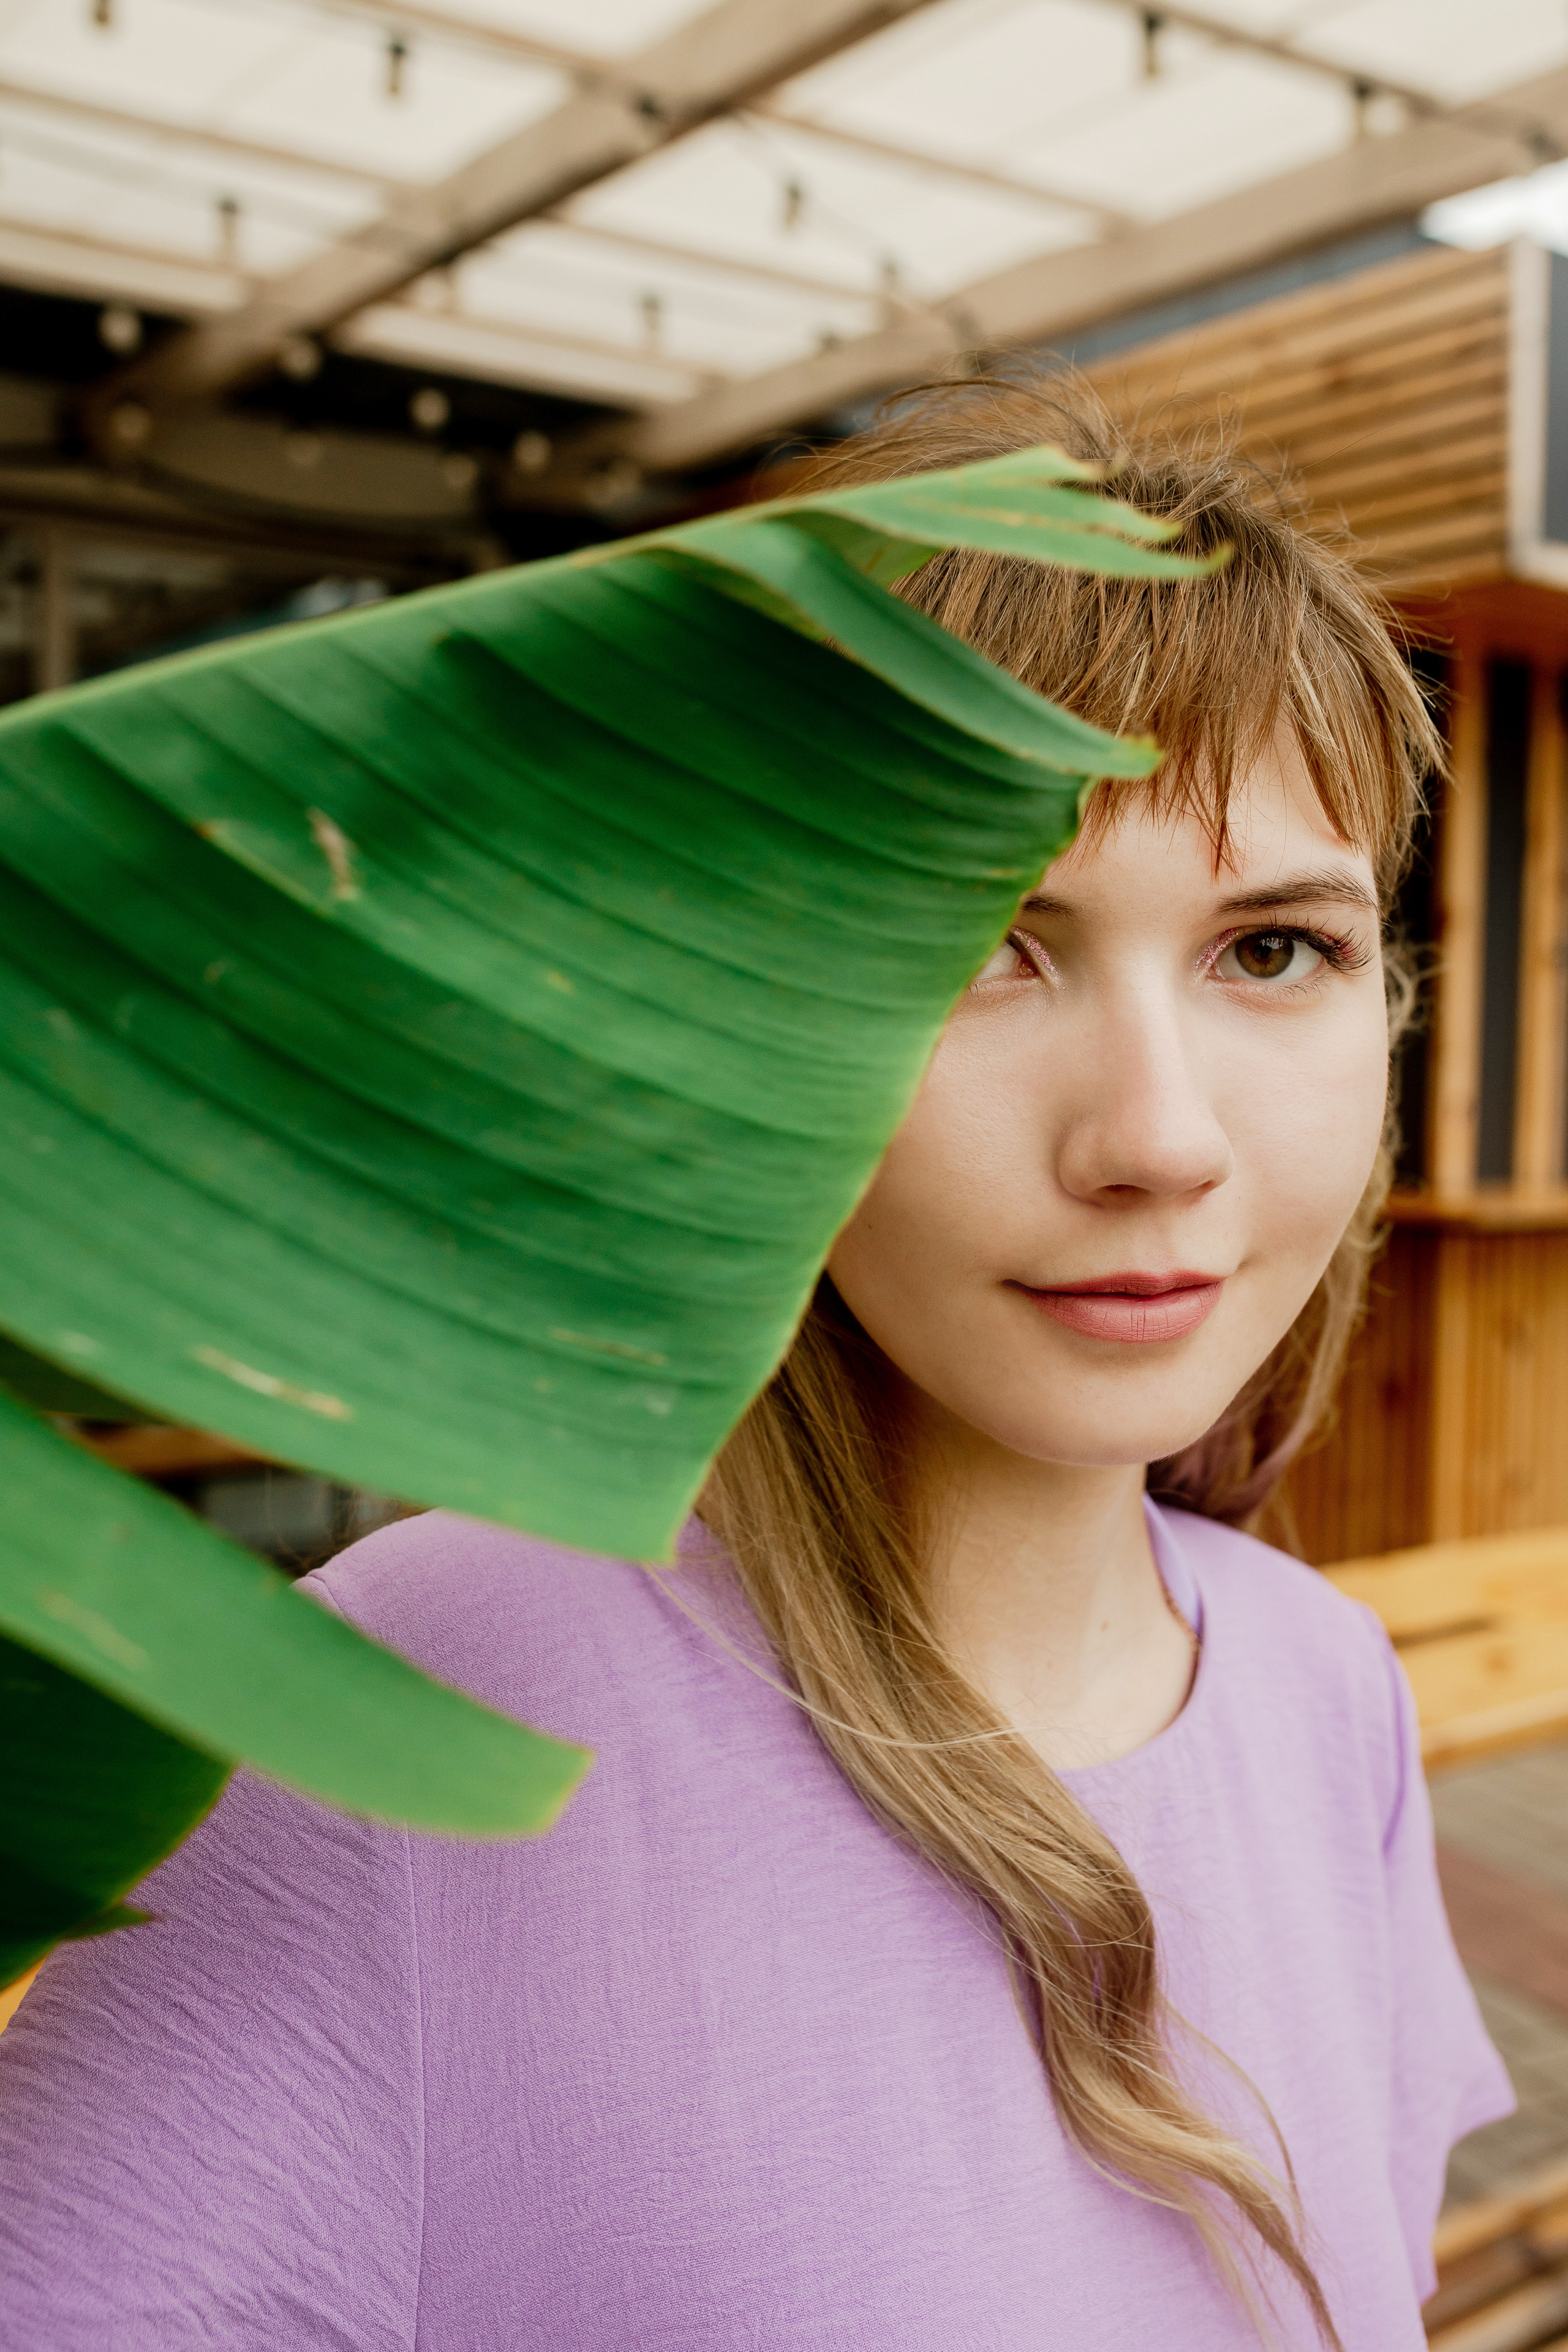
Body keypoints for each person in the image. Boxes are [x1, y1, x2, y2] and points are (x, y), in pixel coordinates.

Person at [0, 379, 1509, 2351]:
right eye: (982, 944)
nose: (1160, 1136)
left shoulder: (1327, 1694)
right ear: (732, 1014)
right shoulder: (399, 1728)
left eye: (1272, 951)